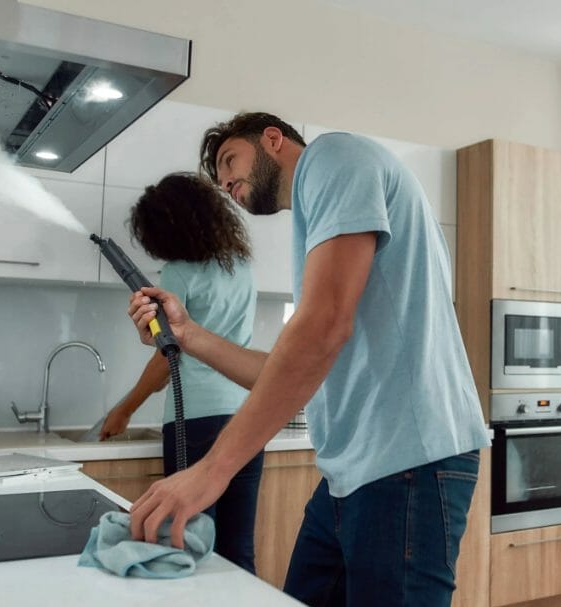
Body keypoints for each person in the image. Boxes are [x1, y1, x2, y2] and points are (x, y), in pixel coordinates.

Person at [126, 113, 490, 606]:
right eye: (219, 179)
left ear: (273, 140)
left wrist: (212, 470)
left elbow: (321, 330)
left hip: (408, 462)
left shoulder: (335, 157)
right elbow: (284, 368)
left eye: (230, 160)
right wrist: (189, 335)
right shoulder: (319, 220)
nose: (226, 181)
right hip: (353, 472)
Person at [100, 172, 262, 572]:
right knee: (237, 549)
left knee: (186, 543)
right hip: (247, 415)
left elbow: (166, 359)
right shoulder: (241, 267)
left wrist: (124, 410)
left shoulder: (178, 273)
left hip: (195, 421)